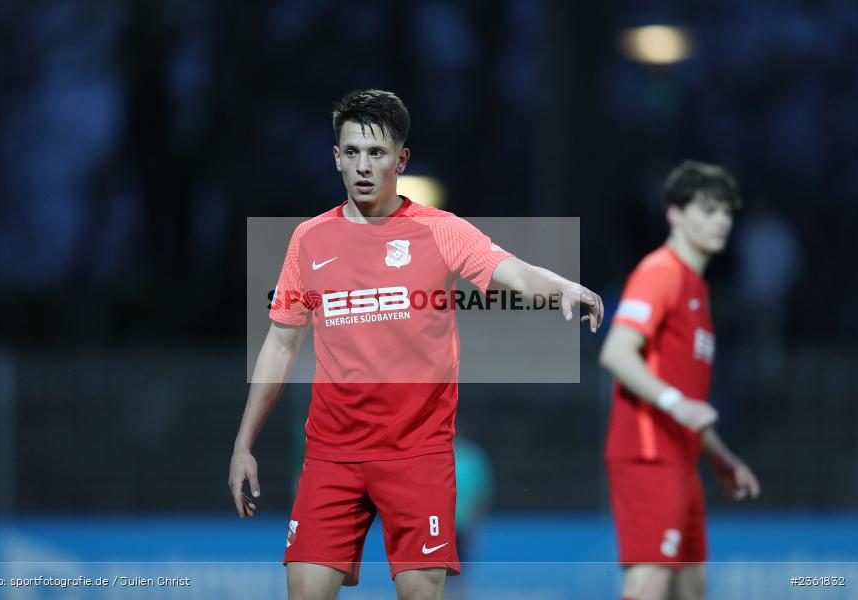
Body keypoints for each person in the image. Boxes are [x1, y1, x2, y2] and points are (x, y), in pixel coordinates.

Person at [229, 89, 604, 600]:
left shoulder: (439, 232)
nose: (364, 166)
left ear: (400, 160)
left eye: (377, 153)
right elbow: (280, 344)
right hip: (332, 455)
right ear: (336, 156)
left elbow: (509, 269)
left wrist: (561, 286)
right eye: (353, 152)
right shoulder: (308, 239)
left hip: (417, 452)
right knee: (304, 590)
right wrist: (243, 443)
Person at [600, 160, 761, 600]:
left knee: (691, 588)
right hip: (648, 454)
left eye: (727, 212)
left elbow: (688, 403)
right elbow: (615, 351)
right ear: (674, 213)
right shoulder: (661, 272)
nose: (721, 221)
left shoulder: (697, 290)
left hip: (682, 460)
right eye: (708, 210)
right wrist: (676, 403)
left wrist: (721, 456)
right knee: (649, 581)